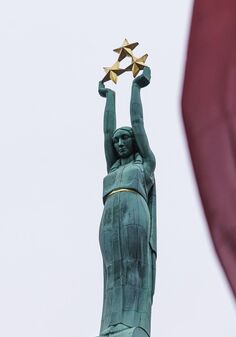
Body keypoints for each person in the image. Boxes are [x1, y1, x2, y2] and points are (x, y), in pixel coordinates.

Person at [97, 67, 156, 337]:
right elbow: (106, 131)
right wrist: (108, 96)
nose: (119, 142)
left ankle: (131, 323)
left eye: (124, 138)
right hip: (110, 215)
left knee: (132, 266)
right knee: (112, 272)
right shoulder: (113, 168)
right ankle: (111, 324)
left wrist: (135, 88)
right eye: (117, 139)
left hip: (134, 210)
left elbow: (139, 122)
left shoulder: (144, 164)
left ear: (134, 142)